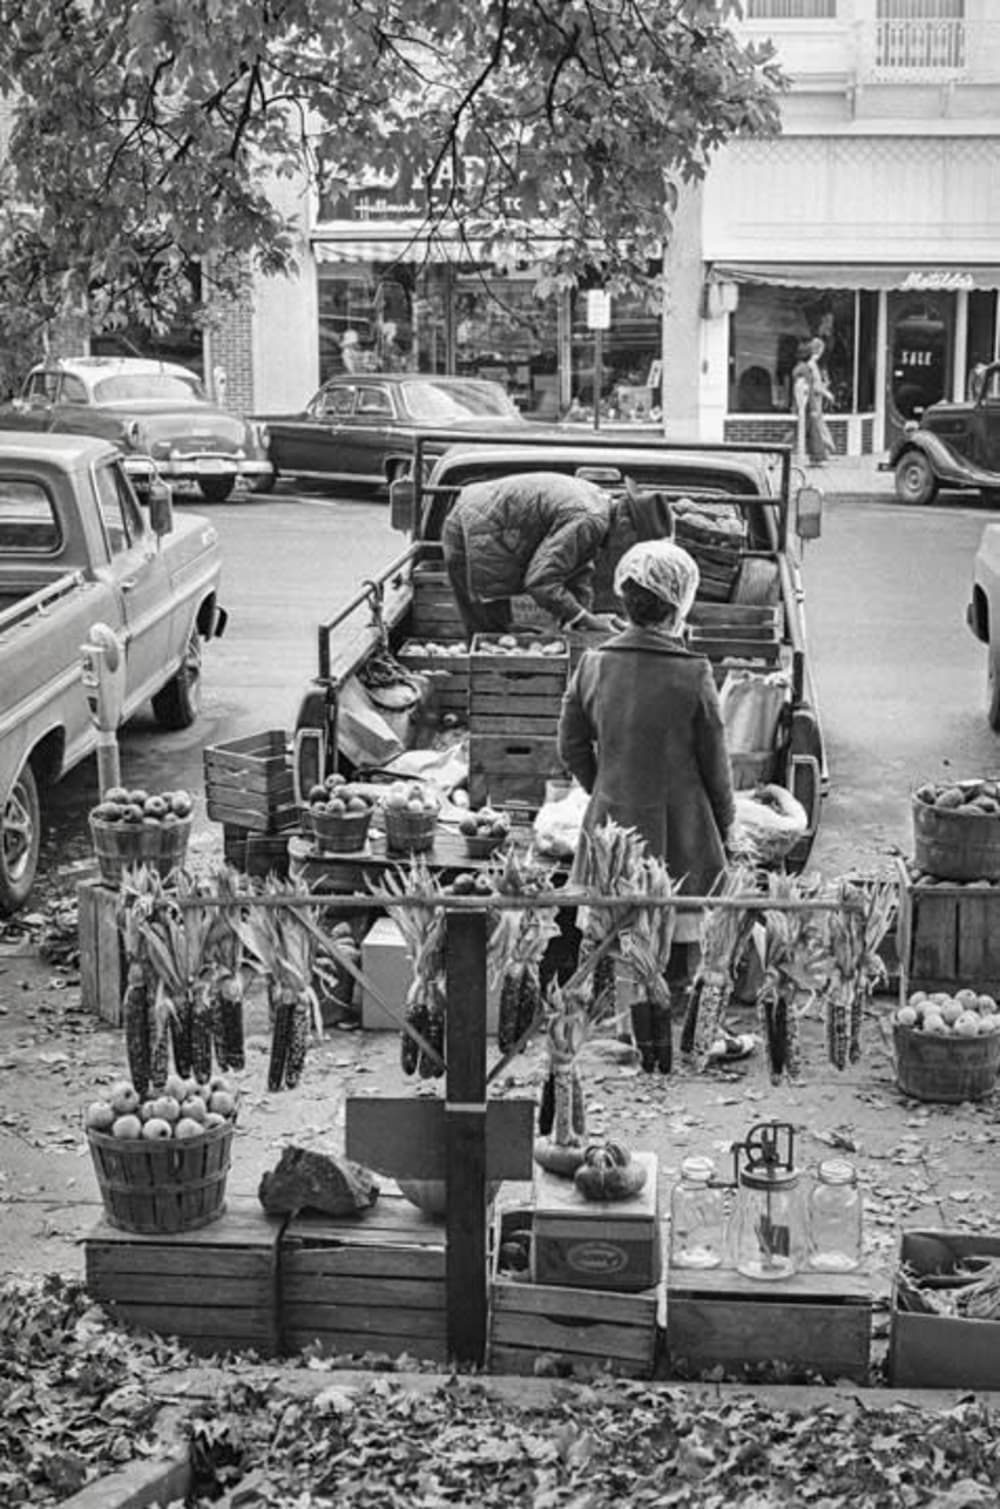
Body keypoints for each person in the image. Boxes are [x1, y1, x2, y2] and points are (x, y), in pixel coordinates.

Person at [557, 539, 735, 1072]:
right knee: (689, 929)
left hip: (611, 824)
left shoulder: (592, 664)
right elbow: (715, 765)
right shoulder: (693, 672)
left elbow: (569, 744)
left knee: (621, 927)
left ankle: (629, 1028)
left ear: (625, 601)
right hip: (683, 825)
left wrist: (605, 786)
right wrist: (725, 824)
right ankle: (696, 1028)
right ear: (679, 604)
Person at [441, 472, 674, 641]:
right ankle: (496, 699)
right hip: (473, 527)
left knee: (497, 633)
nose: (628, 553)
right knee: (488, 635)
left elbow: (577, 570)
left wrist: (587, 618)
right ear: (625, 524)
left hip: (485, 523)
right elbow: (540, 581)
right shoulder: (589, 519)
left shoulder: (599, 508)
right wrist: (586, 619)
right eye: (634, 545)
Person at [805, 336, 834, 465]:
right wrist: (826, 393)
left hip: (817, 402)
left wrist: (824, 385)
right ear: (819, 350)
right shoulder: (811, 365)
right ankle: (827, 449)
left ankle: (826, 450)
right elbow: (815, 386)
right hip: (814, 402)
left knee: (818, 425)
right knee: (817, 426)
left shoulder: (813, 365)